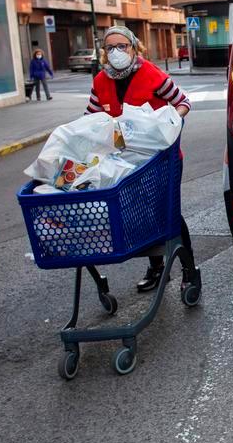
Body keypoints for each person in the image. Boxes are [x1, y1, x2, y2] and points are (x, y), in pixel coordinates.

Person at [84, 26, 199, 295]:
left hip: (162, 161)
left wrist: (171, 123)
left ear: (134, 47)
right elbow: (90, 117)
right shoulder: (100, 81)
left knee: (167, 213)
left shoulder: (151, 74)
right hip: (125, 164)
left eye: (122, 46)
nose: (116, 52)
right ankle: (157, 267)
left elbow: (182, 102)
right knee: (139, 215)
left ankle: (189, 270)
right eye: (110, 47)